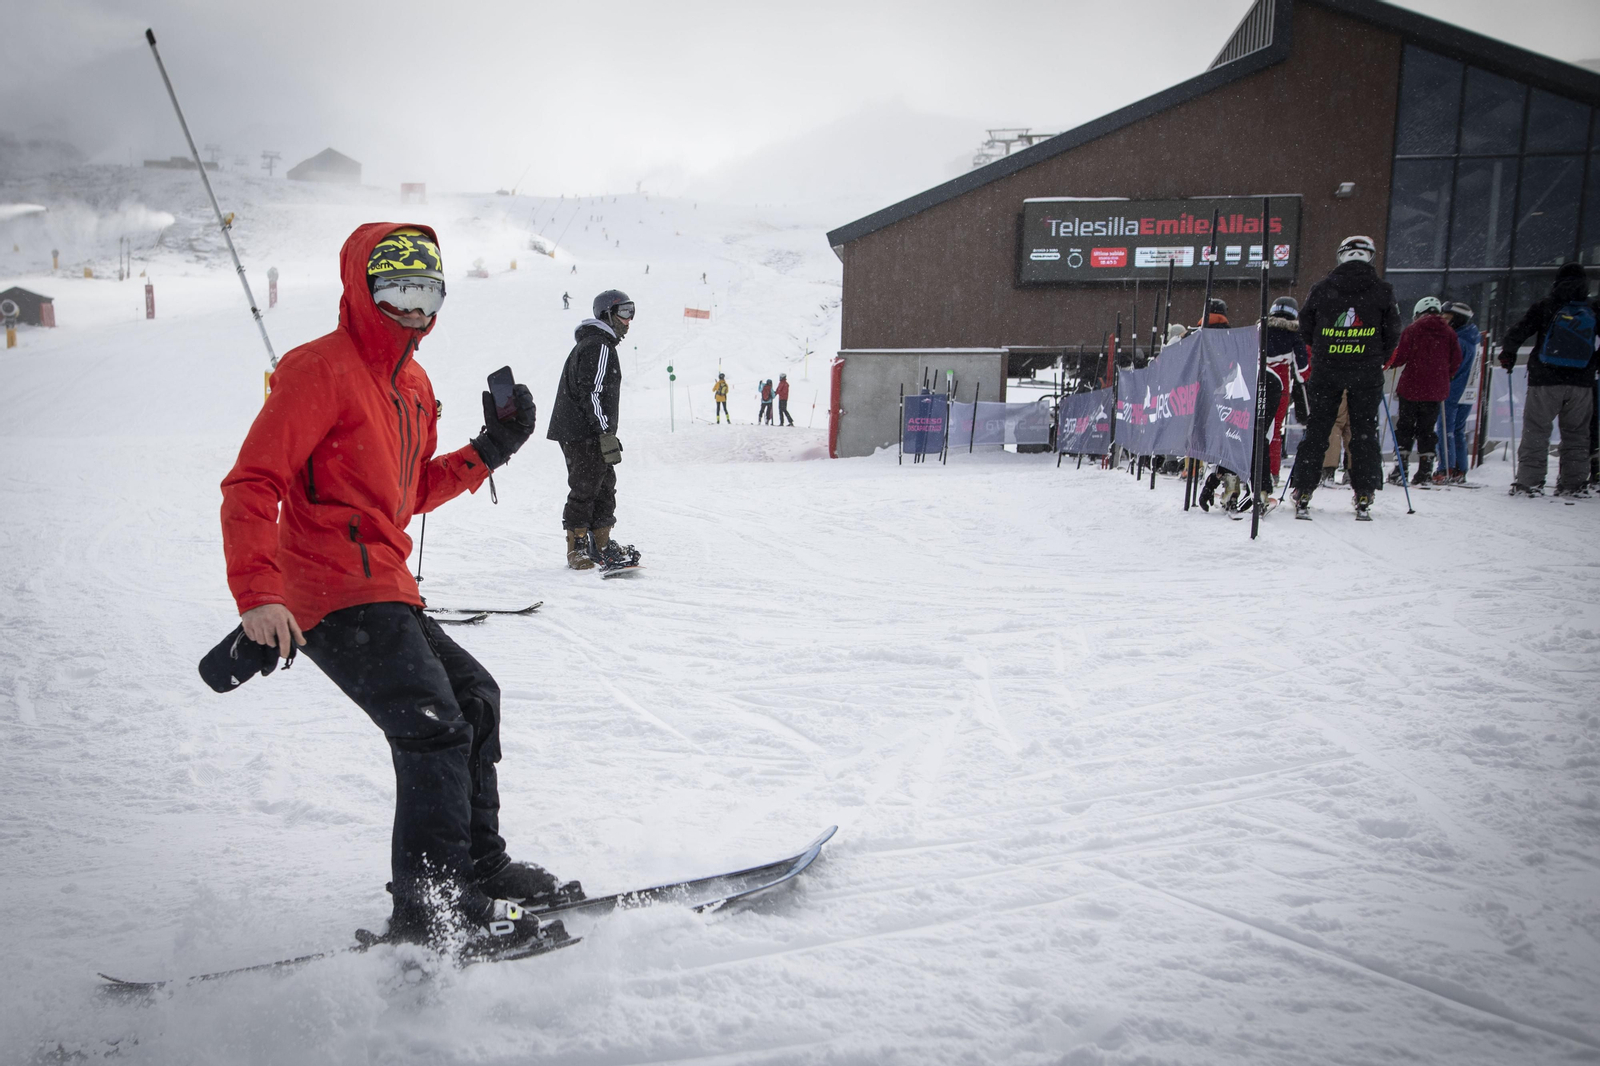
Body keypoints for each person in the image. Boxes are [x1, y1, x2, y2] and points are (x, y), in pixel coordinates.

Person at [219, 224, 575, 954]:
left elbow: (404, 493)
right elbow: (253, 482)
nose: (414, 309)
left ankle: (478, 868)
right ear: (364, 288)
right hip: (325, 590)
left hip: (384, 582)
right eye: (398, 292)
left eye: (428, 293)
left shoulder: (413, 384)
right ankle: (433, 908)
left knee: (474, 699)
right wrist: (258, 593)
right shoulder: (317, 370)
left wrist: (490, 450)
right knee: (431, 725)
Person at [1287, 235, 1403, 520]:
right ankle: (1364, 491)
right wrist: (1376, 356)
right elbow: (1393, 333)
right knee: (1363, 430)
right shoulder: (1382, 290)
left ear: (1341, 256)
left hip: (1328, 369)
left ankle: (1303, 488)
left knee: (1318, 429)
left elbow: (1305, 326)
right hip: (1366, 370)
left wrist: (1325, 348)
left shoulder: (1323, 289)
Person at [548, 289, 640, 567]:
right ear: (607, 314)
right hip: (583, 432)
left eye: (631, 312)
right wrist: (604, 432)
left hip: (585, 430)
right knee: (585, 488)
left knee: (604, 485)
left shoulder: (596, 344)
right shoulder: (599, 346)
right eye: (624, 312)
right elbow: (593, 392)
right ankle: (577, 550)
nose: (628, 320)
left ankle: (601, 544)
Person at [1501, 262, 1599, 497]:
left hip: (1545, 379)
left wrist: (1508, 355)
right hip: (1582, 383)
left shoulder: (1546, 305)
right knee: (1577, 434)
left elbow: (1518, 331)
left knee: (1537, 430)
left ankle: (1530, 482)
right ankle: (1573, 484)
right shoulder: (1593, 307)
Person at [1386, 297, 1462, 486]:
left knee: (1405, 427)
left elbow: (1401, 357)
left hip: (1411, 388)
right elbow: (1456, 360)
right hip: (1435, 391)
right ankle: (1425, 471)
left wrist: (1389, 362)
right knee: (1427, 430)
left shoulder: (1412, 330)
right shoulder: (1449, 333)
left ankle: (1400, 468)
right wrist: (1447, 375)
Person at [1264, 296, 1309, 485]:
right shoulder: (1295, 335)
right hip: (1280, 388)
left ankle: (1251, 469)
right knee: (1274, 432)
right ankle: (1272, 473)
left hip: (1256, 384)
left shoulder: (1260, 330)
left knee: (1254, 430)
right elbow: (1302, 371)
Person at [1442, 301, 1480, 482]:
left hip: (1453, 390)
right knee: (1458, 430)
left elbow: (1451, 366)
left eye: (1447, 318)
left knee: (1445, 429)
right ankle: (1460, 469)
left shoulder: (1457, 340)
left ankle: (1445, 468)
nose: (1443, 321)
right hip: (1469, 391)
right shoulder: (1473, 337)